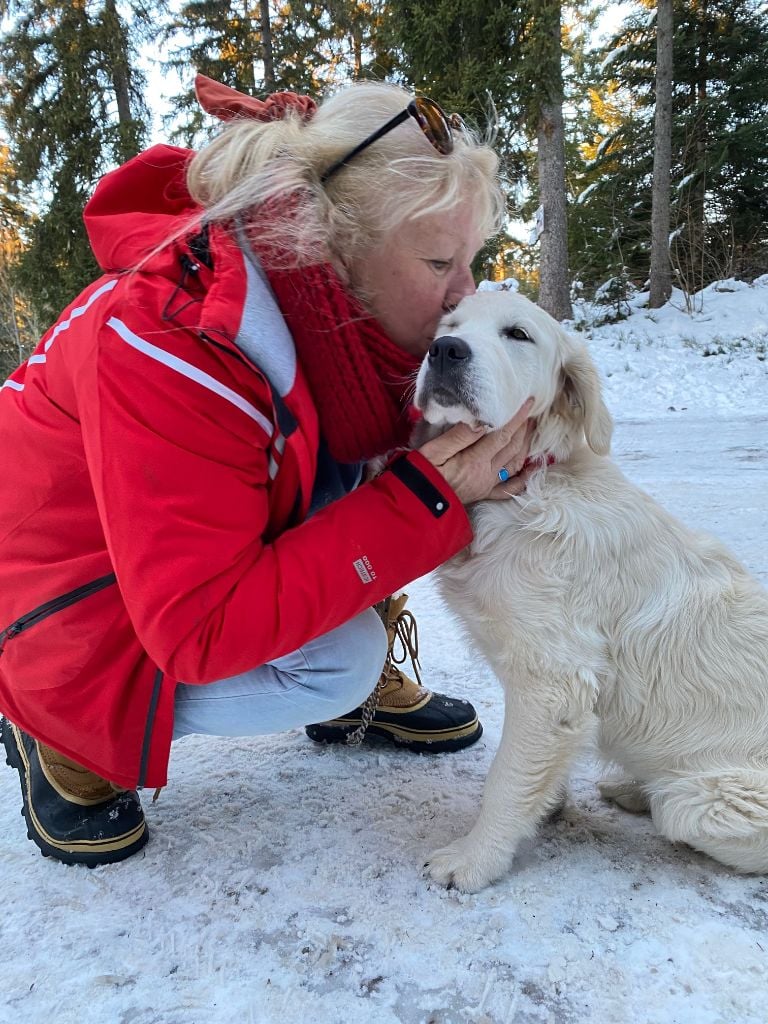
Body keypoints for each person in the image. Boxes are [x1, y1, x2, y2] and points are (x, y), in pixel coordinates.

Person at [0, 75, 535, 867]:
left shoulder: (325, 305)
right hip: (60, 596)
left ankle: (338, 692)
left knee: (368, 448)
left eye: (471, 260)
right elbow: (201, 629)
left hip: (158, 560)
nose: (465, 293)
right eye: (438, 262)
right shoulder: (176, 344)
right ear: (332, 244)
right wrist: (429, 496)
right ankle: (55, 724)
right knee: (340, 662)